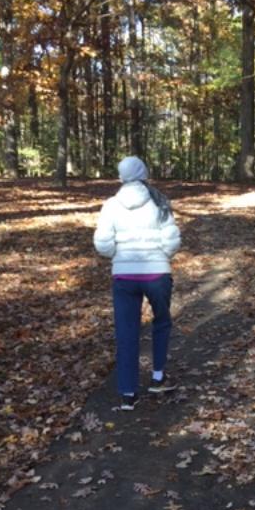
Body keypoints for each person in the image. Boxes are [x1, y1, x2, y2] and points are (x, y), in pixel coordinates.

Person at [94, 156, 181, 409]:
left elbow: (102, 243)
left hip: (124, 277)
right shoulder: (159, 200)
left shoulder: (111, 205)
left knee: (126, 332)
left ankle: (128, 393)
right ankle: (158, 377)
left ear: (121, 176)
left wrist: (119, 257)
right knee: (161, 322)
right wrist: (161, 257)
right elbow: (172, 240)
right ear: (144, 173)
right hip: (157, 273)